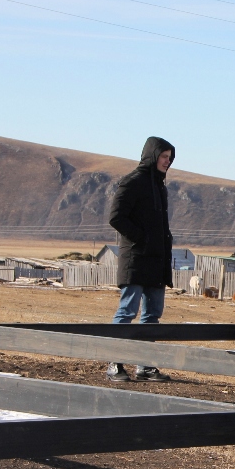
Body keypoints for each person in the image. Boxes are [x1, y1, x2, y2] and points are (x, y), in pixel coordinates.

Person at [105, 137, 176, 382]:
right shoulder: (133, 181)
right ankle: (115, 362)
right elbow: (116, 217)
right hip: (136, 258)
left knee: (152, 314)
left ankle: (145, 365)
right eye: (164, 156)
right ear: (152, 155)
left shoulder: (160, 186)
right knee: (127, 311)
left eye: (170, 157)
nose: (168, 161)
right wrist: (142, 238)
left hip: (156, 260)